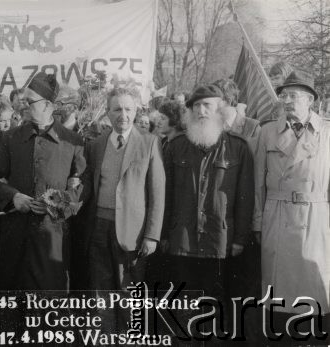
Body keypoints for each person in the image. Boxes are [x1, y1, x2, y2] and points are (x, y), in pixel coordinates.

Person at [162, 85, 254, 335]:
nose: (201, 111)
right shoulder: (175, 146)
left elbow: (245, 199)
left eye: (207, 105)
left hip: (220, 242)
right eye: (196, 106)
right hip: (183, 241)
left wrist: (240, 239)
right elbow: (166, 196)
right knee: (183, 306)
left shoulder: (239, 148)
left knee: (216, 307)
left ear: (220, 110)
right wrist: (164, 235)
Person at [0, 72, 86, 290]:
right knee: (13, 302)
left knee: (48, 303)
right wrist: (14, 197)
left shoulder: (73, 142)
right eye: (23, 101)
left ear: (49, 105)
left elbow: (83, 190)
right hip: (15, 238)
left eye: (30, 101)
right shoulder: (11, 137)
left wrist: (55, 202)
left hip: (52, 239)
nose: (24, 106)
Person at [253, 70, 330, 339]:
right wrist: (258, 222)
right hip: (277, 217)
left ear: (310, 100)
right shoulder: (266, 132)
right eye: (284, 95)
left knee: (312, 299)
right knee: (279, 301)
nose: (286, 100)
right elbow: (256, 183)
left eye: (293, 95)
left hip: (315, 220)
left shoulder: (328, 133)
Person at [84, 87, 165, 290]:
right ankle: (105, 324)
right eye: (117, 109)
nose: (124, 115)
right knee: (100, 289)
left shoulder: (149, 143)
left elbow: (157, 193)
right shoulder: (95, 145)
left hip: (133, 232)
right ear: (108, 113)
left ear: (136, 111)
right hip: (99, 228)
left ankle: (128, 324)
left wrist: (151, 235)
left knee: (128, 292)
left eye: (128, 109)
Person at [214, 78, 261, 153]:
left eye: (215, 101)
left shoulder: (253, 127)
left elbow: (257, 159)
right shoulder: (207, 125)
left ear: (229, 100)